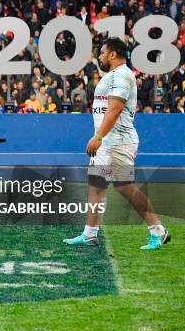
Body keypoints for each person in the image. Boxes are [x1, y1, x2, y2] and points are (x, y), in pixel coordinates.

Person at [64, 37, 170, 250]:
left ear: (112, 54)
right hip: (107, 143)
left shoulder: (122, 75)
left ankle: (158, 232)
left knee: (125, 187)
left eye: (102, 53)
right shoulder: (114, 76)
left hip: (117, 142)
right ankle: (89, 234)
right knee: (96, 186)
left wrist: (98, 137)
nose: (99, 57)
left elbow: (114, 109)